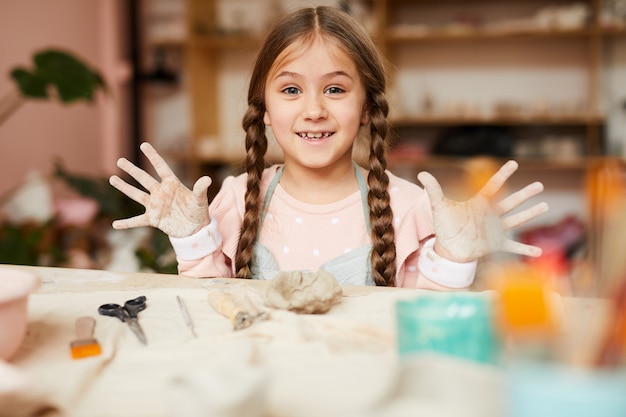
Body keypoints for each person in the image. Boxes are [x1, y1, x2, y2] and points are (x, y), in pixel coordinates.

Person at [109, 6, 548, 289]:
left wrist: (453, 259)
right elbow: (213, 315)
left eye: (335, 89)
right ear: (264, 108)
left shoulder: (410, 208)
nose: (314, 110)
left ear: (366, 108)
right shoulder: (234, 200)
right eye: (291, 90)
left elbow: (424, 332)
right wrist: (191, 241)